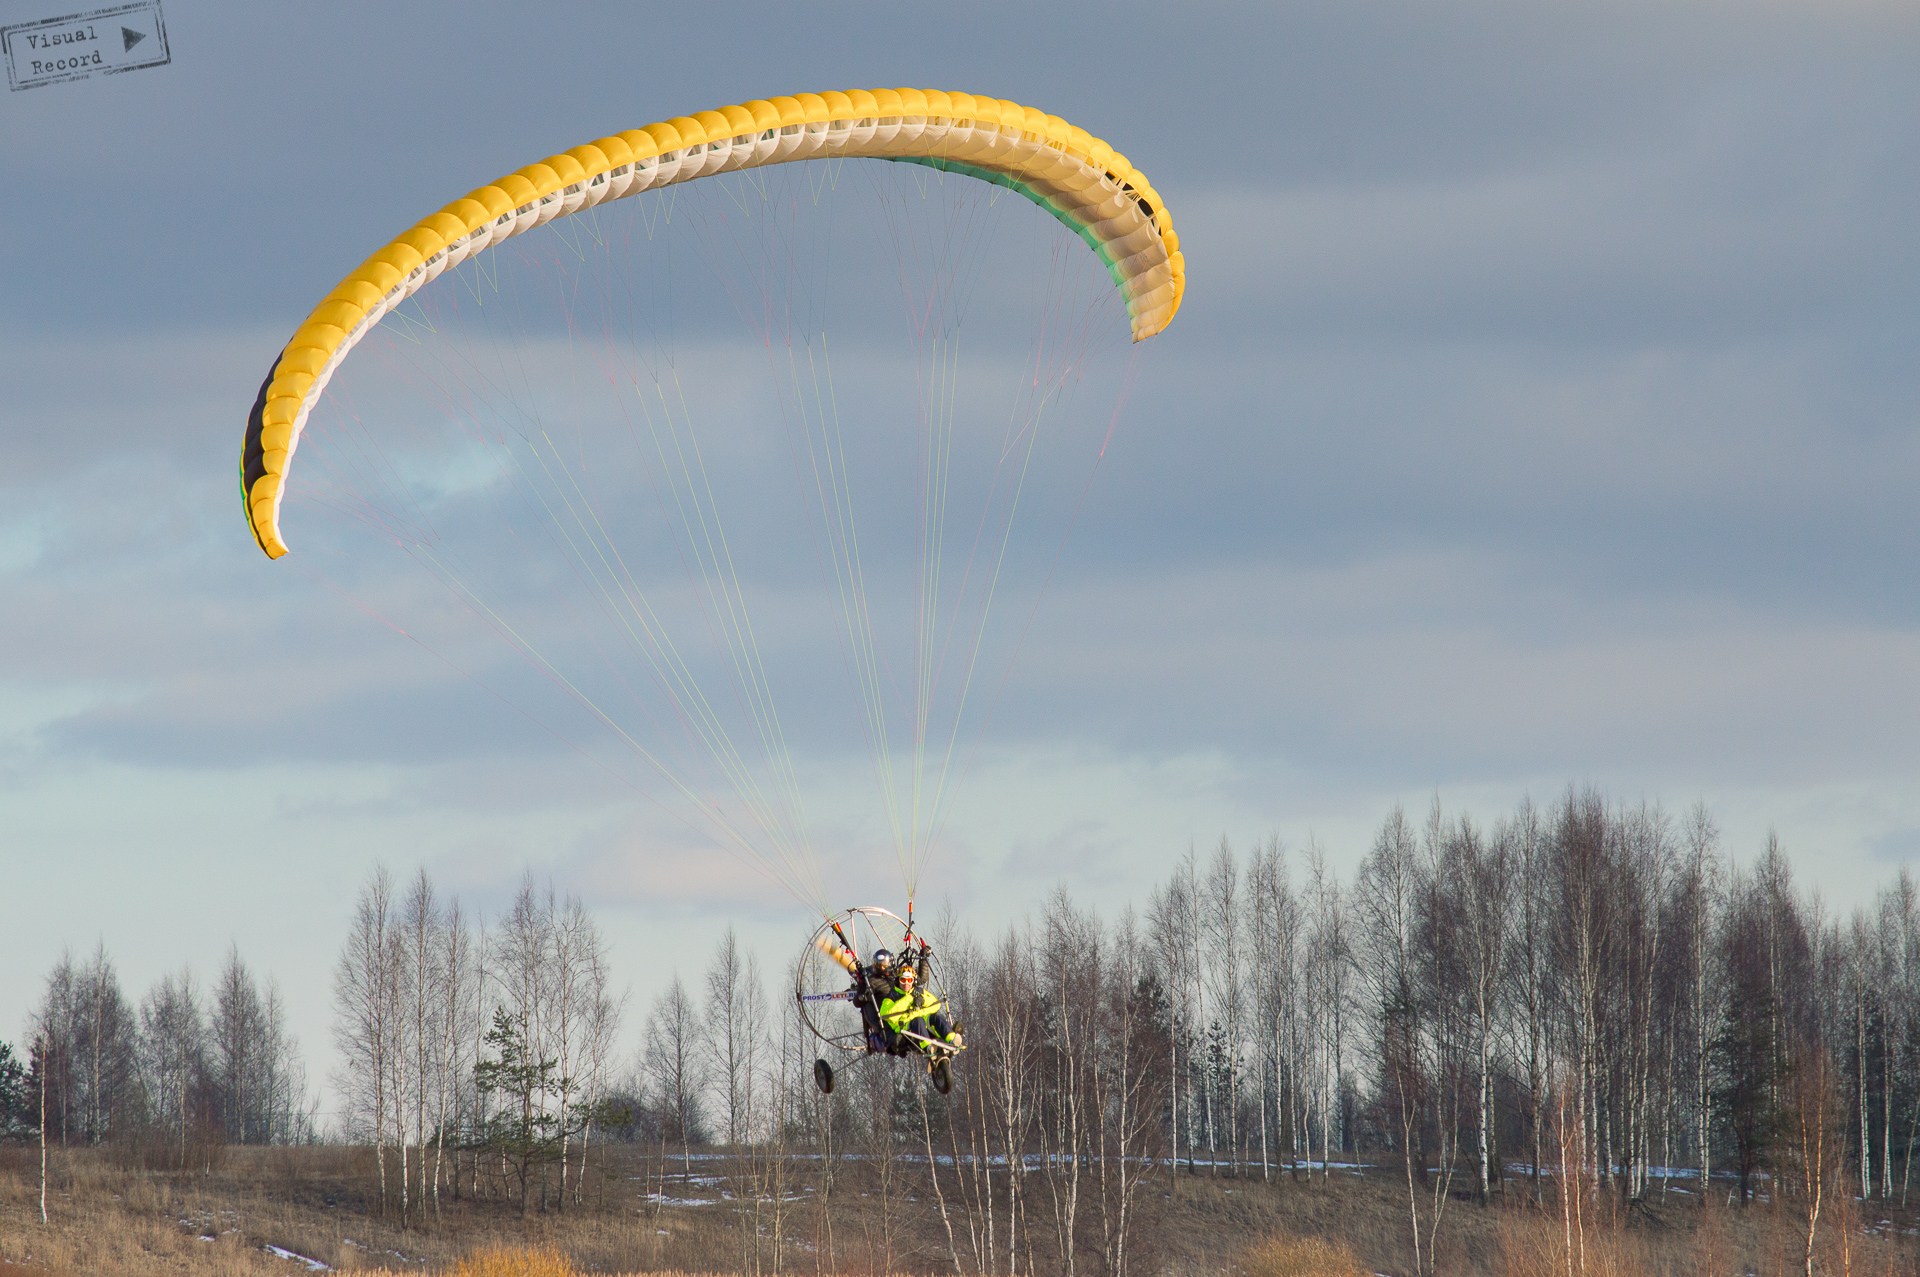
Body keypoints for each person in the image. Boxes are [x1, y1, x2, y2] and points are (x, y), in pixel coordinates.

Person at [875, 945, 961, 1056]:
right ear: (898, 981)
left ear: (913, 981)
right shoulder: (892, 995)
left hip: (922, 1021)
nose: (906, 983)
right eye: (903, 980)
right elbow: (887, 1014)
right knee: (918, 1020)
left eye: (909, 980)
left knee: (936, 1017)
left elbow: (935, 1004)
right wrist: (909, 999)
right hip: (905, 1026)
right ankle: (928, 1046)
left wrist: (923, 1001)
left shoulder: (918, 991)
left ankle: (952, 1039)